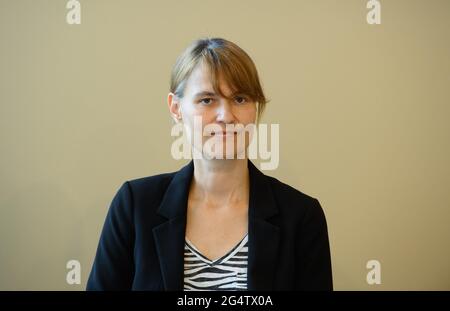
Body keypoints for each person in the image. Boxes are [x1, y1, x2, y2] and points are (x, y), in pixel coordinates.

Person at [86, 37, 333, 291]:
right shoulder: (134, 206)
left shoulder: (301, 216)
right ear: (176, 108)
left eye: (239, 99)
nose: (226, 116)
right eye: (207, 100)